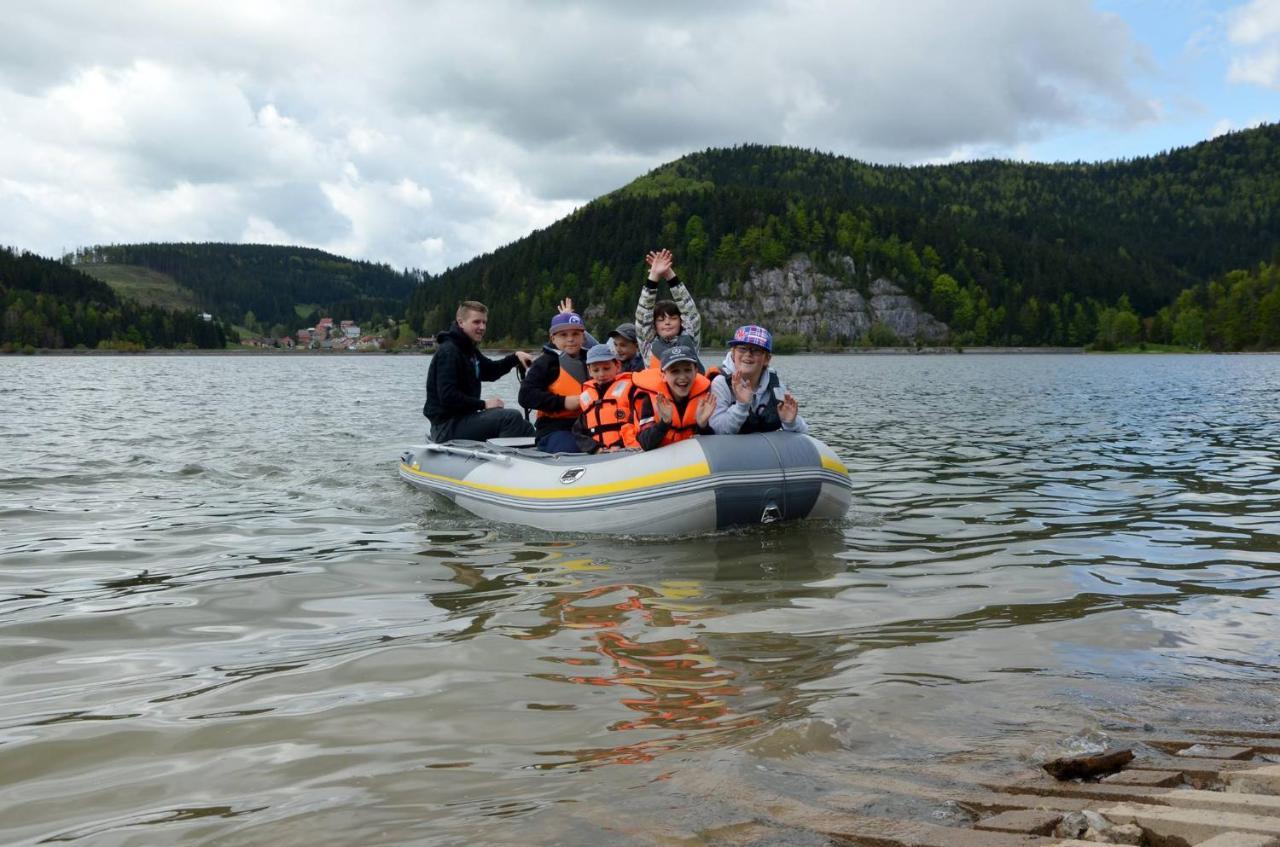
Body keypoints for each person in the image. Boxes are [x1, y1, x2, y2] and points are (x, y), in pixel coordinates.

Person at [424, 301, 534, 442]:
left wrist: (515, 357)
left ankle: (543, 457)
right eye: (476, 322)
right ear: (461, 322)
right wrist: (484, 405)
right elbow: (448, 396)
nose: (482, 327)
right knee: (510, 418)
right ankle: (503, 461)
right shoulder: (449, 351)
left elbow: (490, 371)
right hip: (446, 427)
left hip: (464, 420)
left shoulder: (468, 349)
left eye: (484, 322)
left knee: (525, 426)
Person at [709, 325, 807, 435]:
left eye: (756, 350)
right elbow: (717, 429)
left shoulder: (776, 387)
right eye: (742, 348)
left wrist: (790, 422)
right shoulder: (720, 384)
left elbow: (803, 433)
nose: (748, 354)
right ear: (733, 353)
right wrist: (741, 406)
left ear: (767, 359)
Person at [519, 311, 592, 453]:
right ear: (553, 338)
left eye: (576, 334)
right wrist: (563, 402)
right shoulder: (544, 363)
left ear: (583, 337)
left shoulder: (594, 362)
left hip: (590, 425)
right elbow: (525, 396)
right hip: (556, 428)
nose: (570, 339)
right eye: (563, 335)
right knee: (571, 449)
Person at [632, 345, 716, 451]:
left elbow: (712, 443)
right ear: (663, 375)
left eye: (687, 370)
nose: (682, 377)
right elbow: (645, 443)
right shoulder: (649, 400)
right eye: (675, 371)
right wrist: (664, 423)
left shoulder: (705, 398)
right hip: (662, 461)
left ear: (695, 372)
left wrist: (702, 425)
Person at [635, 248, 703, 371]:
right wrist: (653, 277)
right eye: (661, 320)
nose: (667, 322)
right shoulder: (648, 344)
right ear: (654, 325)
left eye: (673, 318)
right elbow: (643, 315)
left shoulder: (690, 339)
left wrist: (669, 274)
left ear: (681, 322)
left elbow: (690, 312)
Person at [573, 343, 640, 452]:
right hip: (599, 453)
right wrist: (594, 448)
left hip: (625, 450)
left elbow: (637, 421)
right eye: (596, 370)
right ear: (589, 371)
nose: (601, 374)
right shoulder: (587, 397)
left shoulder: (630, 389)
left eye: (606, 368)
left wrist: (620, 443)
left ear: (617, 366)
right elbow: (578, 432)